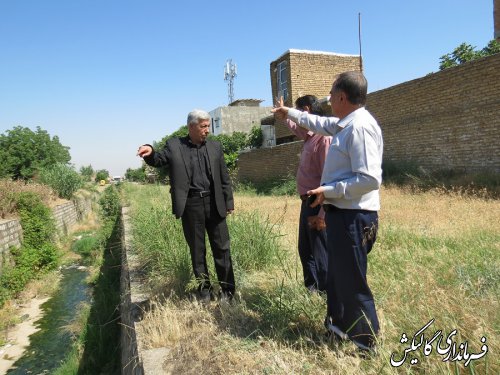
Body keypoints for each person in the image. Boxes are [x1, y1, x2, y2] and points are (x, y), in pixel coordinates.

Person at [273, 71, 383, 353]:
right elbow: (317, 122)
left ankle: (365, 342)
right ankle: (337, 327)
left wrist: (328, 191)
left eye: (331, 94)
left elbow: (369, 179)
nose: (329, 99)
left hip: (354, 217)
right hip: (342, 214)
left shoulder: (360, 127)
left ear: (343, 97)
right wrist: (289, 112)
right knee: (336, 275)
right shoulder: (345, 124)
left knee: (352, 280)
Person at [137, 109, 236, 302]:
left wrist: (229, 202)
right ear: (191, 127)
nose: (207, 130)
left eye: (208, 126)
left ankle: (228, 292)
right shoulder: (174, 146)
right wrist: (150, 151)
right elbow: (158, 159)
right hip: (191, 206)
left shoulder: (215, 147)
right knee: (197, 251)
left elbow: (224, 178)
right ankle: (205, 291)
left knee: (222, 249)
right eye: (203, 126)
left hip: (215, 204)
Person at [282, 95, 330, 292]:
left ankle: (327, 294)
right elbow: (295, 126)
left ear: (307, 111)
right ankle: (312, 289)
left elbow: (329, 180)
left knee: (320, 251)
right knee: (306, 249)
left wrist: (322, 214)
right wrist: (284, 114)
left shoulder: (324, 138)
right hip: (307, 203)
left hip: (317, 203)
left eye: (297, 112)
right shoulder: (310, 136)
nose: (296, 119)